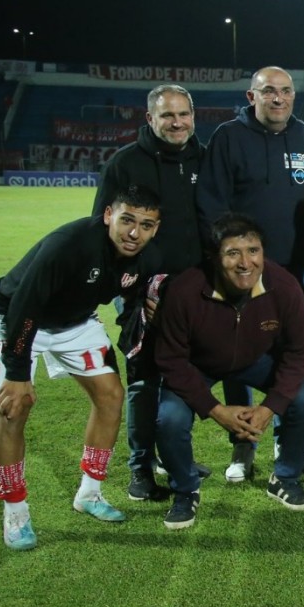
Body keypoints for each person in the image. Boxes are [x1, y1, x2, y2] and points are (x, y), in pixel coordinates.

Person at [0, 185, 164, 550]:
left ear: (156, 228)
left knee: (112, 396)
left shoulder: (143, 254)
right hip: (14, 318)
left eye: (146, 225)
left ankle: (89, 494)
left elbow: (131, 298)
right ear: (108, 215)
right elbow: (25, 304)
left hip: (76, 323)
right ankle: (15, 511)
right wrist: (18, 374)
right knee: (14, 407)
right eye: (127, 220)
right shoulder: (69, 245)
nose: (134, 233)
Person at [152, 214, 304, 529]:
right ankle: (186, 491)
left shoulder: (283, 286)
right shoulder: (185, 289)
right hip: (198, 365)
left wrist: (270, 407)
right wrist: (216, 410)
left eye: (254, 251)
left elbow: (299, 350)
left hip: (257, 360)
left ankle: (285, 477)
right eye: (233, 253)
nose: (246, 263)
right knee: (169, 417)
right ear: (215, 258)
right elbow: (171, 359)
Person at [196, 66, 304, 478]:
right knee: (239, 356)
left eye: (286, 92)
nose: (279, 99)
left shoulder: (303, 136)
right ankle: (242, 447)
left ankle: (288, 438)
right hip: (242, 271)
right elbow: (211, 203)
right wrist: (226, 264)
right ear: (252, 97)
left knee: (289, 353)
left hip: (292, 271)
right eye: (269, 92)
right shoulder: (229, 137)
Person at [92, 84, 207, 502]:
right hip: (143, 294)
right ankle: (141, 469)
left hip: (194, 292)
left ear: (193, 115)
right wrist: (134, 291)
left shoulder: (204, 156)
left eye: (183, 114)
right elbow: (102, 229)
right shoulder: (124, 163)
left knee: (181, 379)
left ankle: (174, 458)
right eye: (167, 116)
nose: (177, 123)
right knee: (143, 382)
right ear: (150, 119)